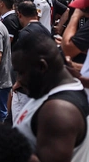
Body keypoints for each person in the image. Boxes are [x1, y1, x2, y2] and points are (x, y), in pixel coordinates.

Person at [12, 32, 89, 161]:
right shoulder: (49, 93)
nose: (19, 80)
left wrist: (4, 146)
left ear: (42, 67)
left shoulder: (59, 111)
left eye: (21, 72)